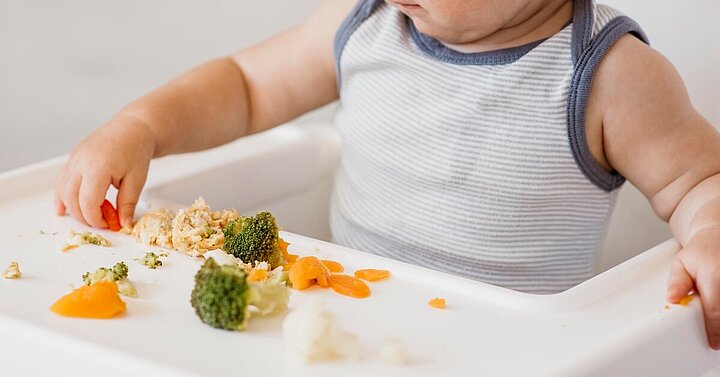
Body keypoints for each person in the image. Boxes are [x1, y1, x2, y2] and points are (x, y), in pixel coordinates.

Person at [55, 0, 720, 348]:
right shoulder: (362, 23)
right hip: (334, 326)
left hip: (504, 353)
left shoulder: (609, 76)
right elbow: (245, 85)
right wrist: (144, 125)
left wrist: (711, 233)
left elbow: (700, 182)